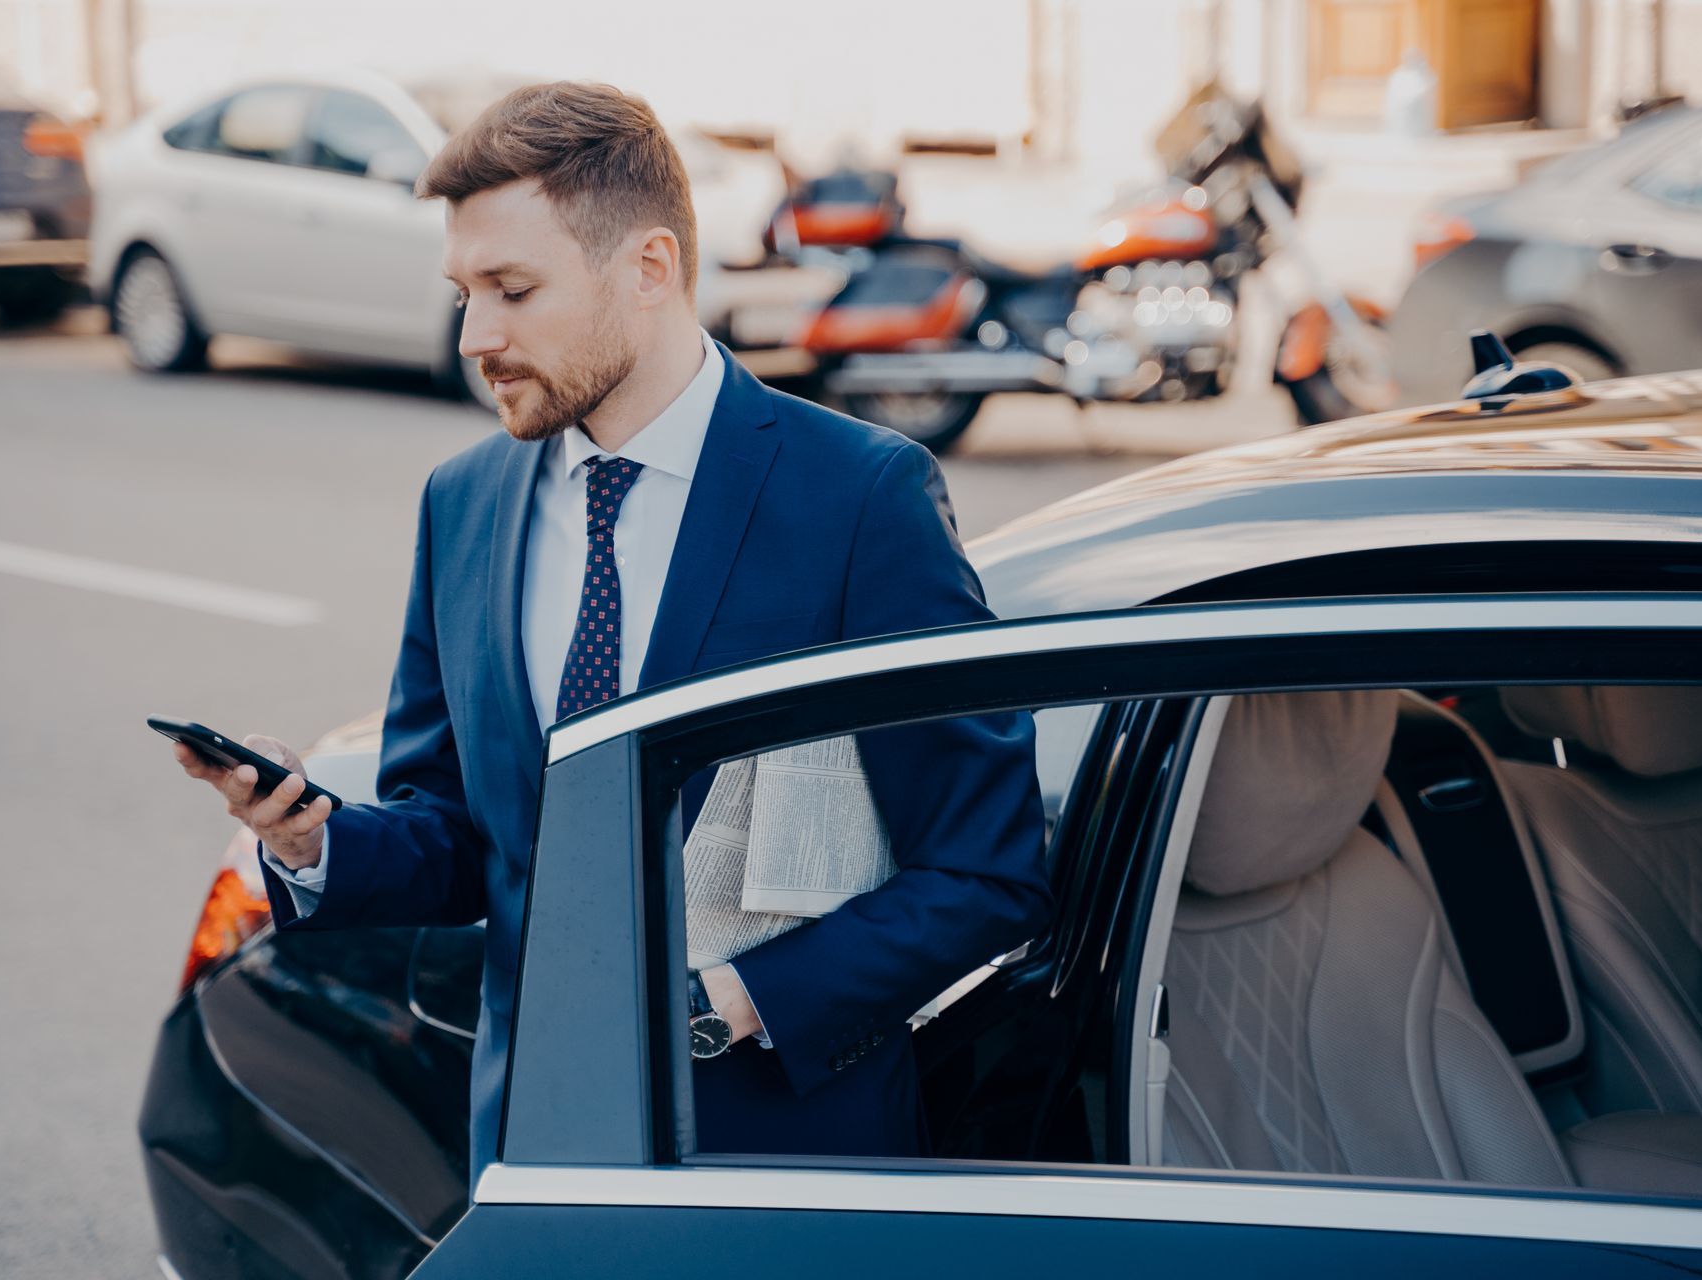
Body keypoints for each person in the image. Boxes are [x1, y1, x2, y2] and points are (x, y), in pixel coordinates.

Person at [169, 81, 1050, 1180]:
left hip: (784, 1157)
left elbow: (986, 869)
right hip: (532, 1146)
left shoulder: (861, 498)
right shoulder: (464, 502)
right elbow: (460, 835)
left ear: (649, 269)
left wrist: (737, 1001)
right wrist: (311, 839)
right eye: (462, 292)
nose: (476, 334)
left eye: (513, 289)